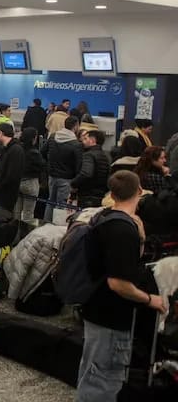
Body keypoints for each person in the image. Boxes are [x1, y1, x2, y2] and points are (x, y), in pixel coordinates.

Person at [76, 171, 168, 402]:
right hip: (111, 317)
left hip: (95, 308)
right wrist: (150, 299)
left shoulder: (104, 217)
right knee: (105, 380)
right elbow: (119, 283)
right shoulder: (123, 230)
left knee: (92, 371)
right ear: (139, 192)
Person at [42, 116, 82, 221]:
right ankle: (55, 230)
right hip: (67, 179)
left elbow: (42, 151)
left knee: (50, 202)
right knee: (61, 206)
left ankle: (45, 225)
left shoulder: (53, 137)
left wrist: (49, 165)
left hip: (52, 176)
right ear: (76, 126)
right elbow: (78, 165)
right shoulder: (76, 144)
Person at [0, 123, 25, 211]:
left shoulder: (15, 150)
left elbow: (11, 176)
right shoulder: (7, 149)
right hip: (2, 194)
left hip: (6, 196)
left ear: (0, 133)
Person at [70, 130, 110, 209]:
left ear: (92, 140)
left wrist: (73, 183)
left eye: (85, 138)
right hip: (101, 196)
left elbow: (86, 173)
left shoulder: (89, 155)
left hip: (87, 195)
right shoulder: (106, 156)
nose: (83, 141)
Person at [14, 127, 45, 221]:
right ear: (33, 138)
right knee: (28, 212)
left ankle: (15, 233)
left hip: (17, 182)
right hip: (31, 183)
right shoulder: (35, 153)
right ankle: (25, 234)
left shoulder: (17, 149)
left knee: (16, 212)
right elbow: (42, 166)